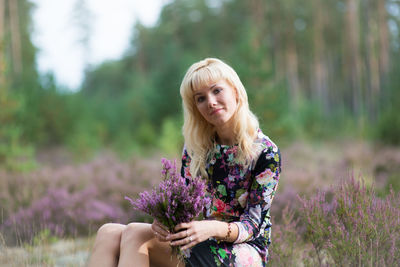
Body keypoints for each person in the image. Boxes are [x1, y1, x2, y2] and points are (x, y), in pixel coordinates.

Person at [88, 58, 281, 267]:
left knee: (136, 234)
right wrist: (163, 223)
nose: (210, 102)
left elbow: (253, 225)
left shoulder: (266, 153)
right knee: (108, 232)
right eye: (200, 98)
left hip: (244, 251)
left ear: (235, 90)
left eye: (217, 91)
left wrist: (212, 228)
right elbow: (183, 207)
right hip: (201, 239)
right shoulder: (196, 150)